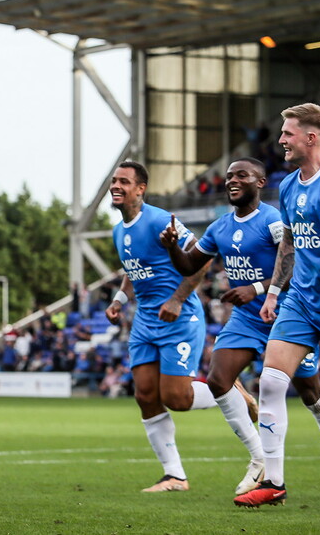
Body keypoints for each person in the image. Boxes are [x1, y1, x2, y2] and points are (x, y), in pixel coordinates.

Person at [163, 157, 320, 496]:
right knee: (218, 380)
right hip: (246, 319)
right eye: (229, 175)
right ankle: (259, 458)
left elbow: (297, 265)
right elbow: (188, 265)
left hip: (285, 315)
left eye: (241, 175)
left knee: (311, 395)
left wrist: (257, 288)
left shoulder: (273, 220)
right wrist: (172, 246)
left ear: (259, 182)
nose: (232, 180)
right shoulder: (219, 228)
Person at [235, 103, 320, 506]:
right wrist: (276, 292)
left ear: (311, 138)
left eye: (288, 133)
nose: (280, 139)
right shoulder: (289, 186)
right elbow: (290, 242)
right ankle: (274, 484)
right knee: (272, 381)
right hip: (300, 298)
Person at [106, 160, 215, 493]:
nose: (115, 186)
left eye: (124, 181)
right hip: (144, 321)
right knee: (145, 395)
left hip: (177, 316)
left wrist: (178, 299)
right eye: (114, 181)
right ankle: (175, 476)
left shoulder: (159, 219)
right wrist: (119, 301)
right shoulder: (118, 230)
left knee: (177, 399)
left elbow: (203, 257)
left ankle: (225, 388)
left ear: (141, 188)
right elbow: (133, 270)